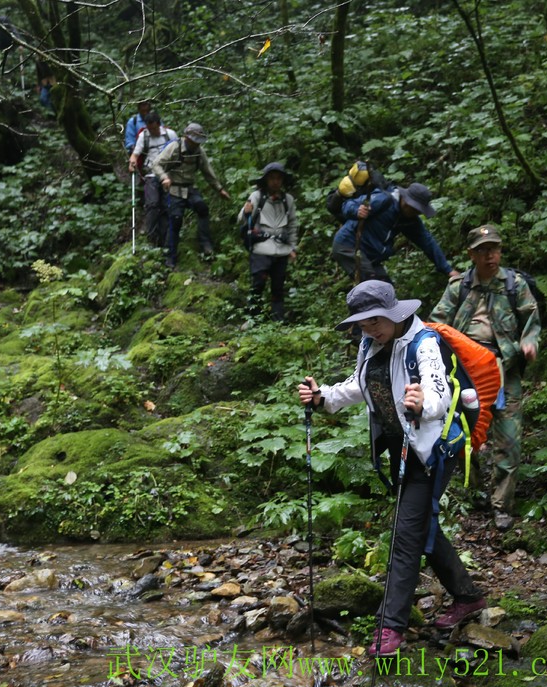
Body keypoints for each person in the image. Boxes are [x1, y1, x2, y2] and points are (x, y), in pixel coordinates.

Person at [297, 280, 486, 656]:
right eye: (363, 324)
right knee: (421, 525)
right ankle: (468, 597)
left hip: (432, 449)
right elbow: (359, 385)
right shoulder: (370, 344)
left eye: (376, 321)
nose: (370, 329)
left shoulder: (424, 344)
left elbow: (438, 393)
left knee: (404, 535)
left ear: (394, 312)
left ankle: (390, 629)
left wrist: (420, 404)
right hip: (402, 447)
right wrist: (323, 398)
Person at [429, 225, 541, 514]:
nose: (490, 255)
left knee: (509, 437)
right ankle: (475, 492)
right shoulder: (460, 288)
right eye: (483, 250)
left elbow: (531, 318)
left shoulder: (515, 285)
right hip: (467, 371)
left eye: (494, 249)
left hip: (505, 368)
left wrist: (529, 343)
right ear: (472, 255)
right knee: (470, 433)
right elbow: (436, 324)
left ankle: (502, 504)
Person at [331, 182, 459, 284]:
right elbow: (348, 204)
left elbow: (427, 242)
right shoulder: (384, 200)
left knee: (387, 291)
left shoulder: (410, 219)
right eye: (414, 208)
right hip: (349, 245)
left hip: (371, 257)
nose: (416, 212)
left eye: (418, 210)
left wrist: (448, 270)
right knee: (373, 289)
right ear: (405, 200)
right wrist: (357, 210)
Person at [150, 122, 231, 265]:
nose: (195, 144)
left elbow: (208, 172)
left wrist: (219, 189)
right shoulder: (174, 147)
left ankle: (206, 244)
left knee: (202, 208)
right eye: (193, 141)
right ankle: (170, 256)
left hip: (190, 188)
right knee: (175, 220)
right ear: (187, 138)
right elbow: (155, 164)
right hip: (174, 188)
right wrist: (164, 177)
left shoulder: (199, 152)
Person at [238, 162, 298, 321]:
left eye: (279, 178)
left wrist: (293, 247)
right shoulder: (257, 196)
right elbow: (242, 219)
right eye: (272, 178)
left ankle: (277, 321)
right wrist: (246, 211)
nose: (275, 182)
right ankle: (252, 318)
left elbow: (292, 225)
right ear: (266, 180)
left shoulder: (288, 200)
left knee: (278, 287)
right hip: (261, 249)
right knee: (258, 284)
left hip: (282, 250)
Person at [129, 111, 177, 247]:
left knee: (166, 207)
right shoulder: (144, 136)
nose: (152, 131)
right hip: (150, 175)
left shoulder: (170, 135)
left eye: (154, 128)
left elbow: (178, 152)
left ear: (159, 124)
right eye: (149, 128)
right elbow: (135, 154)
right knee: (152, 204)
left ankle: (164, 240)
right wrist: (132, 162)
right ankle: (151, 239)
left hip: (168, 175)